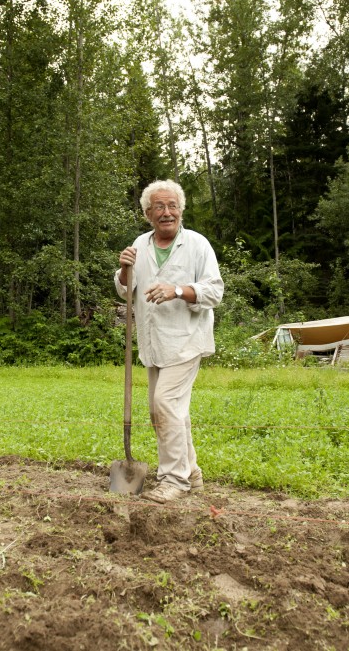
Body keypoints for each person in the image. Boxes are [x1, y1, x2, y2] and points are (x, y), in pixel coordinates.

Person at [115, 179, 224, 503]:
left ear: (181, 210)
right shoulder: (140, 244)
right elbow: (125, 289)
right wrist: (123, 270)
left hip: (186, 341)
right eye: (159, 207)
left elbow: (214, 290)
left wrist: (176, 289)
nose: (167, 212)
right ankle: (191, 471)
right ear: (148, 213)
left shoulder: (197, 245)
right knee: (164, 410)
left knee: (165, 404)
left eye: (172, 205)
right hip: (154, 344)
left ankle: (175, 480)